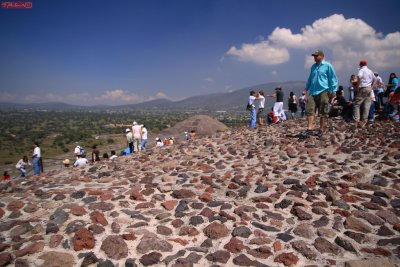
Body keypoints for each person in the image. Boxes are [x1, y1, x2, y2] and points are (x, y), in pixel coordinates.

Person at [303, 50, 338, 137]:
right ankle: (309, 129)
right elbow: (310, 78)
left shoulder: (328, 66)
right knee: (310, 109)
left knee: (323, 111)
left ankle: (321, 129)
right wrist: (306, 89)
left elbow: (333, 78)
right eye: (314, 56)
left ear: (322, 56)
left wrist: (334, 90)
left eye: (317, 56)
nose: (315, 57)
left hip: (323, 90)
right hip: (313, 91)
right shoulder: (313, 67)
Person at [353, 60, 375, 126]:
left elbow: (359, 77)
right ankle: (364, 121)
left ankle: (356, 120)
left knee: (356, 104)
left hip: (363, 87)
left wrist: (357, 86)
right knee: (367, 105)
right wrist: (372, 87)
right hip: (369, 88)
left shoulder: (361, 70)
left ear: (360, 65)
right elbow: (374, 79)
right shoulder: (370, 71)